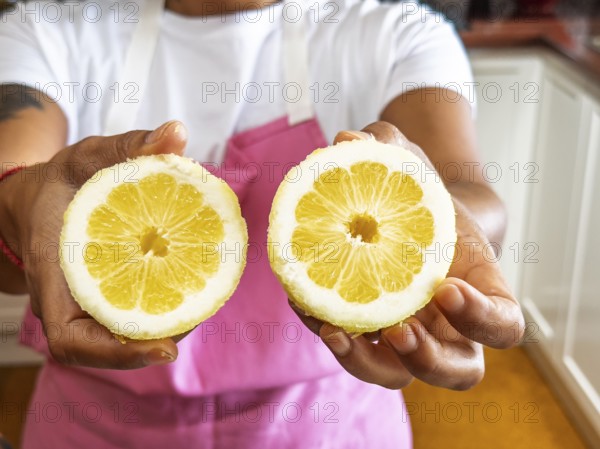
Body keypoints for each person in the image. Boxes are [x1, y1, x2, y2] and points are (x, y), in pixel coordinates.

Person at [0, 0, 525, 447]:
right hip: (94, 427)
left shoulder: (398, 34)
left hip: (326, 425)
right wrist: (17, 204)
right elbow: (14, 189)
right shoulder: (46, 31)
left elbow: (468, 191)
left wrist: (447, 231)